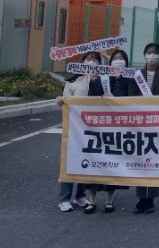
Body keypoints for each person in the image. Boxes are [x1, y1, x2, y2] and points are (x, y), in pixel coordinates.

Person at [128, 43, 159, 214]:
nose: (152, 55)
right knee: (141, 160)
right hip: (140, 122)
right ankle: (141, 198)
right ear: (144, 55)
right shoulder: (136, 75)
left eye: (155, 52)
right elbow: (131, 97)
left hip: (158, 122)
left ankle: (151, 199)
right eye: (149, 52)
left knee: (154, 160)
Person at [82, 50, 131, 214]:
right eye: (115, 59)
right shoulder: (103, 77)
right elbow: (91, 97)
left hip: (118, 128)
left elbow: (135, 100)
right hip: (98, 126)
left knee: (113, 163)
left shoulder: (130, 79)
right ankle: (91, 200)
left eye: (121, 58)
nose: (118, 61)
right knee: (94, 161)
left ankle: (109, 200)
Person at [55, 51, 105, 212]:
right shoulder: (73, 80)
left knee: (87, 161)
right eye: (89, 59)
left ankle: (80, 195)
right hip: (74, 129)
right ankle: (64, 198)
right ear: (82, 62)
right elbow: (65, 101)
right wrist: (60, 100)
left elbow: (108, 99)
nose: (92, 62)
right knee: (69, 161)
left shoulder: (103, 80)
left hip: (93, 129)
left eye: (95, 60)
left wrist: (97, 81)